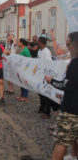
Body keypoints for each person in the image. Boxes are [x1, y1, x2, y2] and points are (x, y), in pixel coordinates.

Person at [45, 32, 78, 160]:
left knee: (61, 142)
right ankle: (74, 155)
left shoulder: (75, 64)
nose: (67, 47)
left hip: (71, 111)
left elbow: (66, 85)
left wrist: (51, 81)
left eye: (68, 44)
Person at [37, 36, 60, 119]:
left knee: (46, 94)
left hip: (46, 75)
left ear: (41, 43)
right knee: (40, 93)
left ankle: (47, 112)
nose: (37, 42)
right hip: (40, 74)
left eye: (38, 41)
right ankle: (42, 108)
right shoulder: (39, 50)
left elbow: (49, 64)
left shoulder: (46, 51)